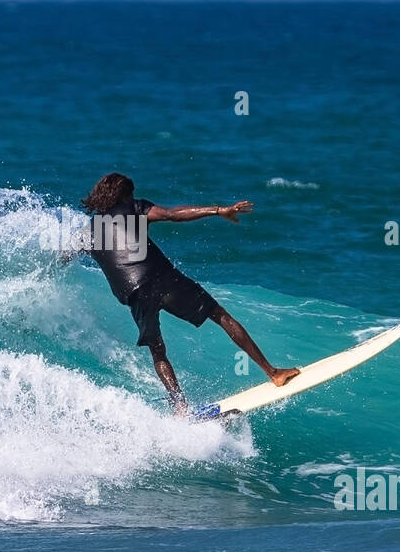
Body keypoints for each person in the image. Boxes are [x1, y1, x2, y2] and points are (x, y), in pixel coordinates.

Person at [78, 172, 299, 414]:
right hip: (159, 278)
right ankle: (273, 372)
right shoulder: (133, 208)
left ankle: (180, 407)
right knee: (221, 317)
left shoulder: (90, 232)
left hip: (134, 294)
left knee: (158, 351)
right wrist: (218, 210)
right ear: (124, 195)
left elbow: (67, 253)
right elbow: (174, 215)